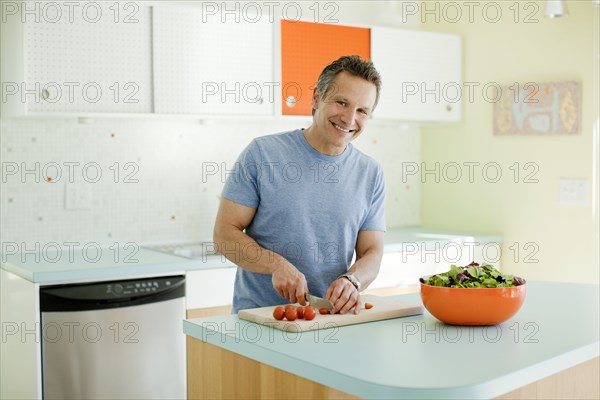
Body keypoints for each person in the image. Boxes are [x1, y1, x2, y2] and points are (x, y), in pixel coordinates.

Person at [213, 55, 385, 315]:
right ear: (317, 98)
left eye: (362, 110)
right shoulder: (263, 154)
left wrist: (353, 280)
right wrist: (275, 265)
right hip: (262, 320)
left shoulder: (370, 173)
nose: (350, 119)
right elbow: (224, 235)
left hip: (328, 319)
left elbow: (372, 251)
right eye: (342, 102)